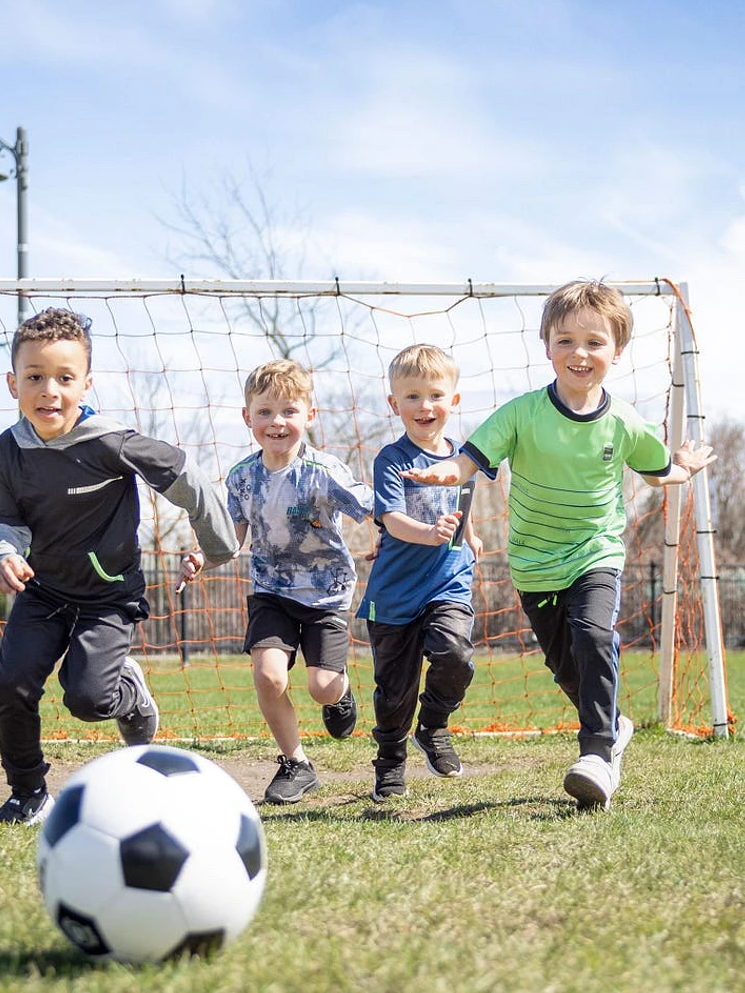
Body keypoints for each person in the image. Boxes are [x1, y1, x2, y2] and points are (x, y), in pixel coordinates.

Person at [405, 280, 716, 810]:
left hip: (596, 551)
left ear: (616, 352)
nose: (580, 353)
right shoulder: (520, 414)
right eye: (566, 340)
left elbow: (660, 471)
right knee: (566, 667)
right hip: (532, 564)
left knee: (595, 635)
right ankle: (613, 724)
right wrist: (442, 473)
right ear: (546, 344)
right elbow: (471, 461)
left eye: (594, 342)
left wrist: (682, 468)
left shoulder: (624, 421)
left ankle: (596, 754)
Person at [0, 308, 238, 825]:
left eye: (64, 378)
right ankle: (27, 793)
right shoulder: (7, 451)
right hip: (44, 592)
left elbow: (185, 475)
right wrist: (6, 553)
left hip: (107, 596)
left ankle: (128, 691)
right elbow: (3, 520)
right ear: (13, 384)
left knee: (88, 700)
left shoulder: (109, 442)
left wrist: (217, 547)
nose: (48, 390)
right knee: (11, 684)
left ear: (86, 383)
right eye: (34, 377)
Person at [181, 359, 374, 804]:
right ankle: (296, 764)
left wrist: (390, 534)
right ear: (248, 418)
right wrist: (200, 557)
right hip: (271, 591)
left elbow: (371, 507)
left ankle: (340, 695)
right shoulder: (243, 477)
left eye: (288, 411)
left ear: (309, 415)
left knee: (321, 687)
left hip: (327, 594)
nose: (277, 422)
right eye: (265, 412)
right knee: (269, 676)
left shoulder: (324, 472)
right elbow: (230, 538)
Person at [356, 344, 482, 802]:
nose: (424, 406)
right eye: (411, 396)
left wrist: (470, 535)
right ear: (394, 405)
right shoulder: (392, 459)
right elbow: (391, 519)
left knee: (455, 654)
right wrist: (429, 532)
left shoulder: (463, 458)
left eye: (434, 395)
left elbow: (462, 502)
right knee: (394, 691)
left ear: (454, 401)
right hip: (394, 594)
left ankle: (433, 725)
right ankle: (389, 763)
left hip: (448, 579)